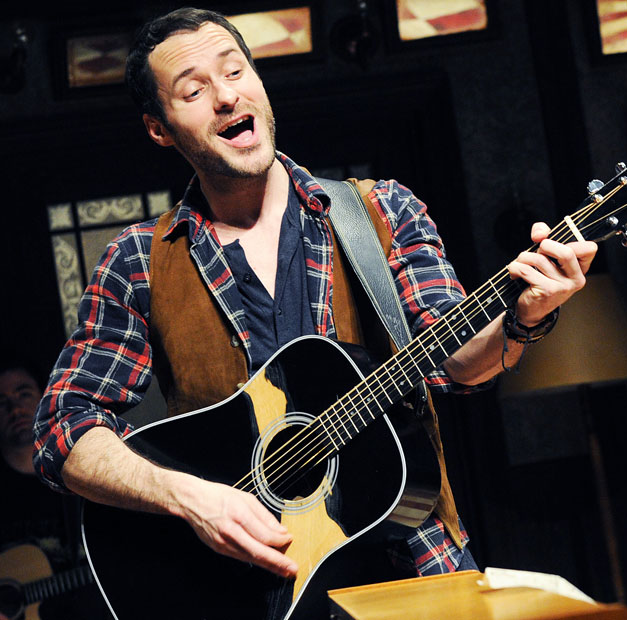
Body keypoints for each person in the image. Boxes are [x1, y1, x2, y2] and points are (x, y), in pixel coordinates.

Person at [33, 5, 595, 591]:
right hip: (246, 585)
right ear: (159, 127)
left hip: (410, 559)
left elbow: (456, 362)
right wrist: (191, 498)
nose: (226, 97)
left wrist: (521, 319)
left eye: (235, 71)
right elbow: (62, 427)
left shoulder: (380, 211)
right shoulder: (138, 259)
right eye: (194, 89)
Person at [1, 361, 107, 619]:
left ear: (43, 397)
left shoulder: (81, 471)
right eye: (1, 402)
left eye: (24, 394)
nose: (15, 409)